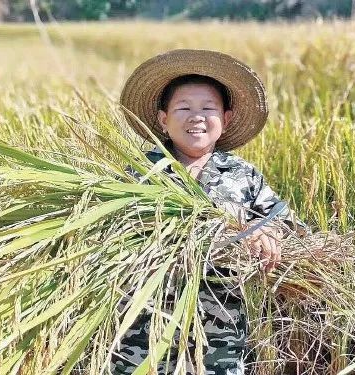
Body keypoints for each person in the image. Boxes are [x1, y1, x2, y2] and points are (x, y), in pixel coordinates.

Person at [112, 49, 308, 374]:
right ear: (163, 119)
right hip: (146, 332)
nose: (197, 117)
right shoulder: (139, 174)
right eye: (184, 108)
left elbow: (293, 228)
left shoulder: (243, 175)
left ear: (225, 119)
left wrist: (264, 232)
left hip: (220, 333)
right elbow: (112, 233)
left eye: (208, 108)